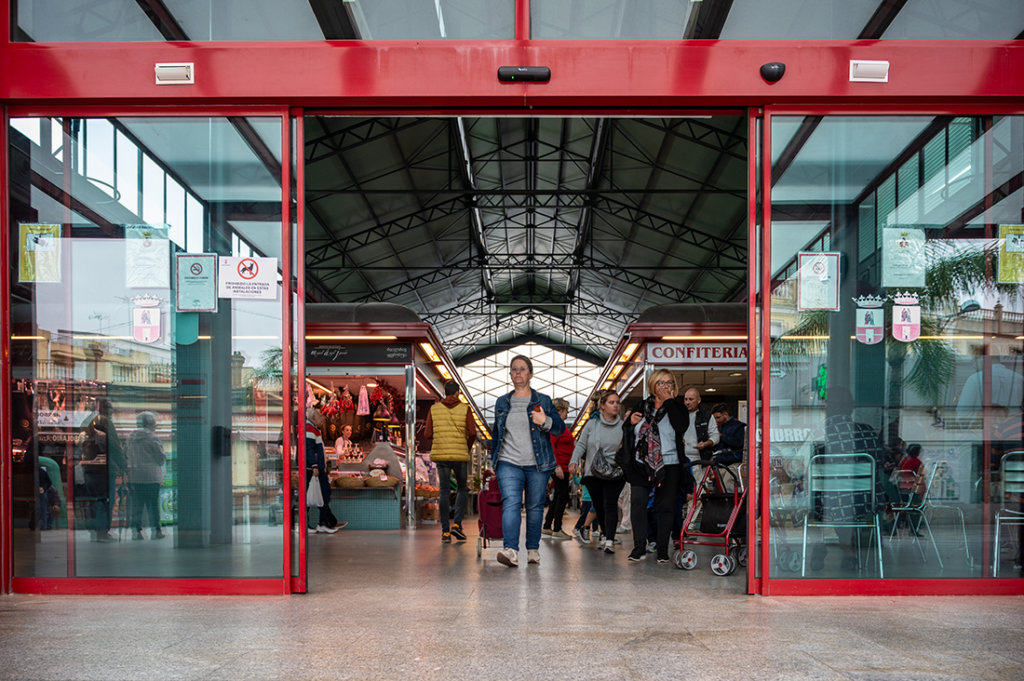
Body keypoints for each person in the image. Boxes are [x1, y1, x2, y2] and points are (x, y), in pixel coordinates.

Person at [792, 386, 892, 571]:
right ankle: (850, 554)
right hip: (863, 500)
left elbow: (796, 468)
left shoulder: (818, 434)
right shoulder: (868, 432)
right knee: (846, 506)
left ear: (827, 409)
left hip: (825, 500)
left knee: (803, 491)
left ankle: (817, 544)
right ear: (851, 407)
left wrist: (798, 476)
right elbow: (880, 462)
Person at [490, 355, 566, 567]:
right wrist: (493, 461)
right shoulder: (501, 402)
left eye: (523, 369)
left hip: (538, 464)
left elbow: (560, 428)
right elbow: (496, 434)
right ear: (510, 374)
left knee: (534, 507)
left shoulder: (543, 401)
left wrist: (546, 421)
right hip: (508, 461)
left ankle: (532, 548)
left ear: (531, 374)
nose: (518, 372)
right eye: (514, 369)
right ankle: (511, 550)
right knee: (511, 503)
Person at [620, 370, 693, 563]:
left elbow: (680, 427)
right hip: (640, 463)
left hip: (669, 465)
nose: (664, 386)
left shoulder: (678, 408)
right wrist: (629, 423)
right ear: (652, 385)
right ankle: (639, 547)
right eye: (660, 383)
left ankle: (662, 548)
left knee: (665, 507)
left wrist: (668, 402)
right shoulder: (641, 406)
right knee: (638, 503)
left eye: (669, 383)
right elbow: (628, 429)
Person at [569, 390, 625, 553]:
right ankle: (606, 535)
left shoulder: (623, 427)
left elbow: (629, 448)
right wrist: (574, 461)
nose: (615, 406)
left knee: (610, 505)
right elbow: (581, 445)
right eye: (611, 402)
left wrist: (624, 463)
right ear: (602, 405)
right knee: (599, 507)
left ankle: (609, 541)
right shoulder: (592, 425)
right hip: (593, 474)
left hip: (614, 473)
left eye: (617, 402)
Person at [424, 380, 476, 544]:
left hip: (442, 456)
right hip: (459, 455)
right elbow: (473, 432)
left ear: (444, 392)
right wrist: (465, 447)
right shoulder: (465, 409)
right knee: (462, 488)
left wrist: (441, 438)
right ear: (457, 393)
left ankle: (445, 532)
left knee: (444, 491)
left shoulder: (434, 409)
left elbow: (427, 434)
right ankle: (458, 525)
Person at [76, 397, 124, 543]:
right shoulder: (105, 422)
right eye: (109, 408)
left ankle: (97, 531)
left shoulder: (90, 422)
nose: (111, 411)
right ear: (102, 409)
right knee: (106, 500)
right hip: (105, 470)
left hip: (91, 468)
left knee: (97, 500)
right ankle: (102, 532)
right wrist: (123, 465)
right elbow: (114, 446)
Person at [125, 412, 167, 540]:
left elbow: (125, 455)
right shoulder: (153, 438)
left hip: (135, 476)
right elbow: (161, 458)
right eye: (154, 422)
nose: (156, 424)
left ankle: (137, 532)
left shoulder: (130, 438)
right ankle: (156, 531)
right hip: (151, 476)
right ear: (148, 423)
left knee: (137, 505)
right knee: (153, 505)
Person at [305, 408, 346, 534]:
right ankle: (319, 522)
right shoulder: (309, 429)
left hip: (316, 468)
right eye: (320, 417)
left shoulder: (313, 429)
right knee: (321, 493)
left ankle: (324, 521)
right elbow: (308, 449)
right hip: (313, 469)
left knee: (318, 494)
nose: (322, 420)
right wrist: (315, 465)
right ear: (313, 418)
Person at [543, 398, 575, 539]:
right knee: (563, 497)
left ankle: (547, 526)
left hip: (563, 466)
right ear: (560, 410)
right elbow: (551, 445)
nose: (568, 413)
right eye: (566, 410)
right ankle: (557, 528)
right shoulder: (557, 426)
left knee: (558, 497)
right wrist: (558, 466)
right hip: (561, 466)